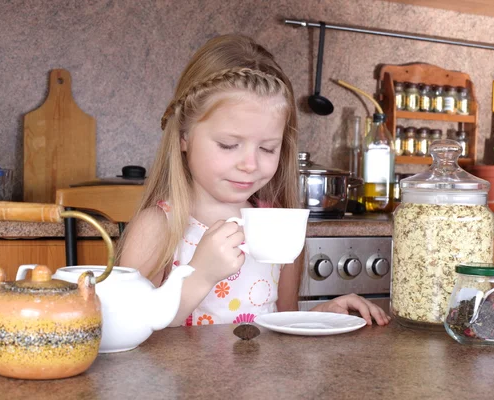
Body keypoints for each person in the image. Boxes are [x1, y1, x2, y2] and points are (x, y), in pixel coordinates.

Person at [117, 34, 390, 327]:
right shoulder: (159, 227)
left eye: (267, 148)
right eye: (228, 144)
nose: (250, 164)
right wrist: (200, 276)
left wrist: (320, 317)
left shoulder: (275, 227)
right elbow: (130, 330)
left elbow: (276, 324)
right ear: (184, 136)